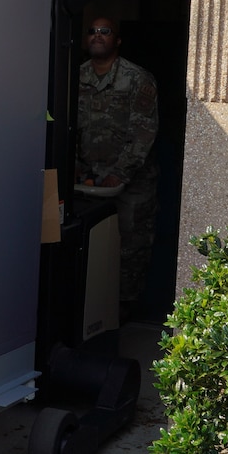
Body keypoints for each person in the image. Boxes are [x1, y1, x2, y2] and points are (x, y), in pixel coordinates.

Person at [76, 16, 159, 318]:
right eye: (92, 31)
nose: (97, 36)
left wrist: (118, 174)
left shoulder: (137, 79)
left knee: (130, 248)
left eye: (105, 31)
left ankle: (124, 312)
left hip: (130, 183)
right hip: (87, 181)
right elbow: (66, 126)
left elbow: (143, 133)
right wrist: (74, 167)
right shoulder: (75, 75)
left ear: (118, 40)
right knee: (86, 245)